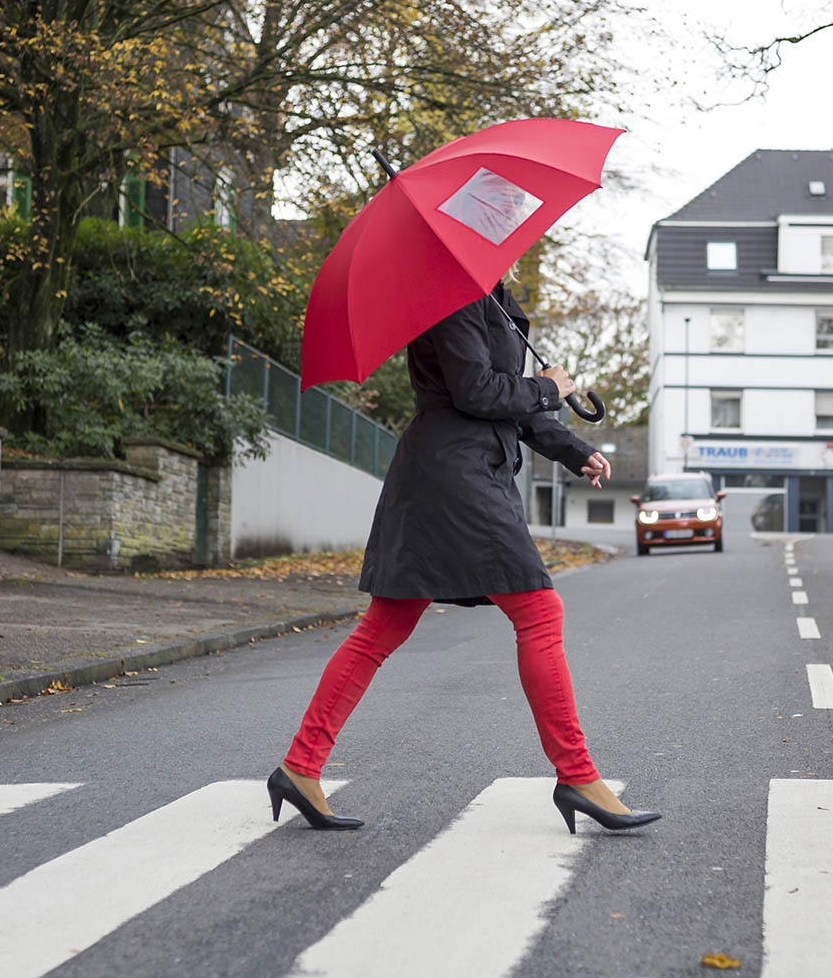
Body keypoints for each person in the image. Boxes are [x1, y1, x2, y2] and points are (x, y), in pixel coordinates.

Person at [267, 276, 661, 834]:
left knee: (386, 624)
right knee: (538, 611)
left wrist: (575, 450)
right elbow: (477, 391)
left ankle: (300, 765)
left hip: (452, 471)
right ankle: (577, 775)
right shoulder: (451, 292)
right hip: (458, 476)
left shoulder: (489, 293)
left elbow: (509, 405)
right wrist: (547, 387)